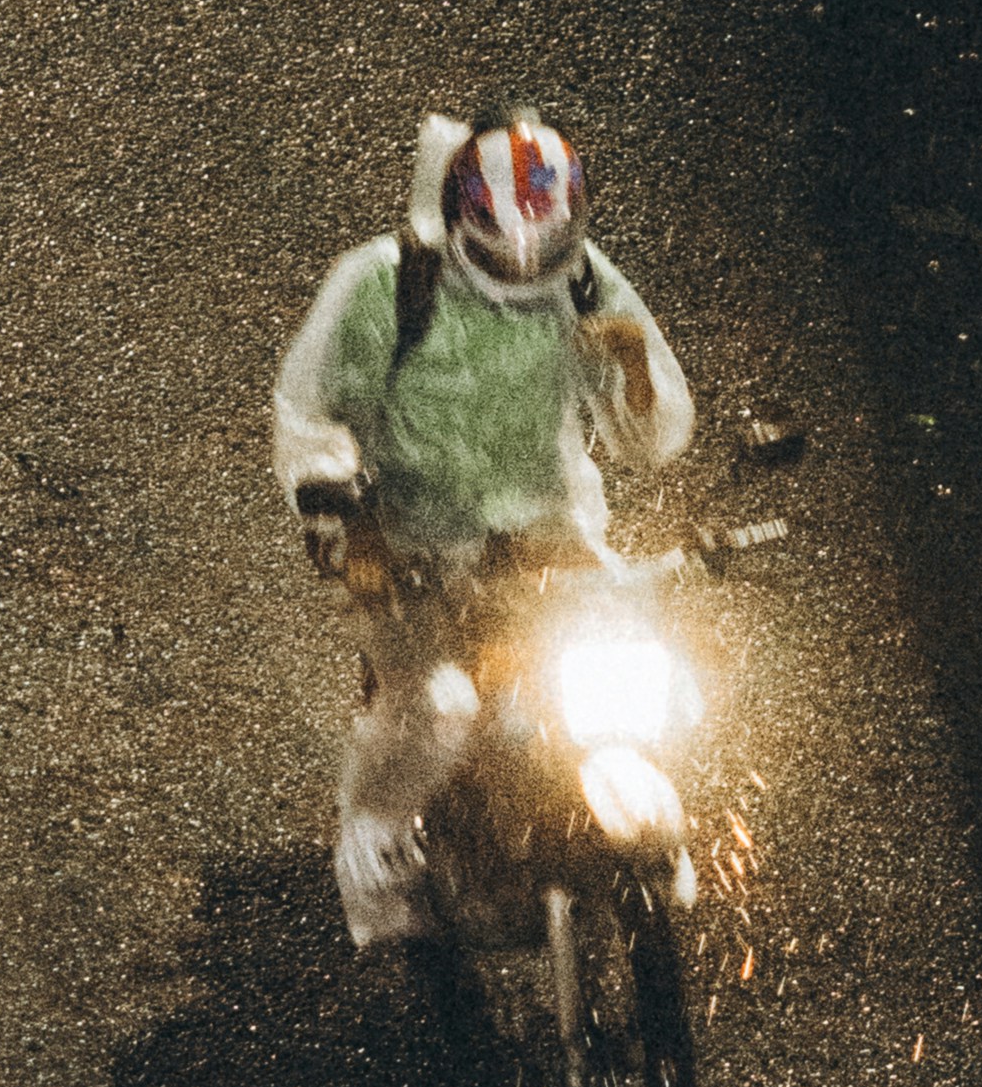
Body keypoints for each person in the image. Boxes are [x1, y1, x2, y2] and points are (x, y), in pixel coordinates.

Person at [270, 108, 696, 945]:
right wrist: (349, 525)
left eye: (546, 249)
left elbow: (651, 440)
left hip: (550, 538)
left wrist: (634, 370)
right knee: (435, 706)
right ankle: (376, 854)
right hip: (411, 545)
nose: (525, 269)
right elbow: (309, 415)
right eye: (502, 252)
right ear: (458, 218)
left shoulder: (586, 282)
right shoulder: (382, 285)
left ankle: (638, 825)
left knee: (636, 680)